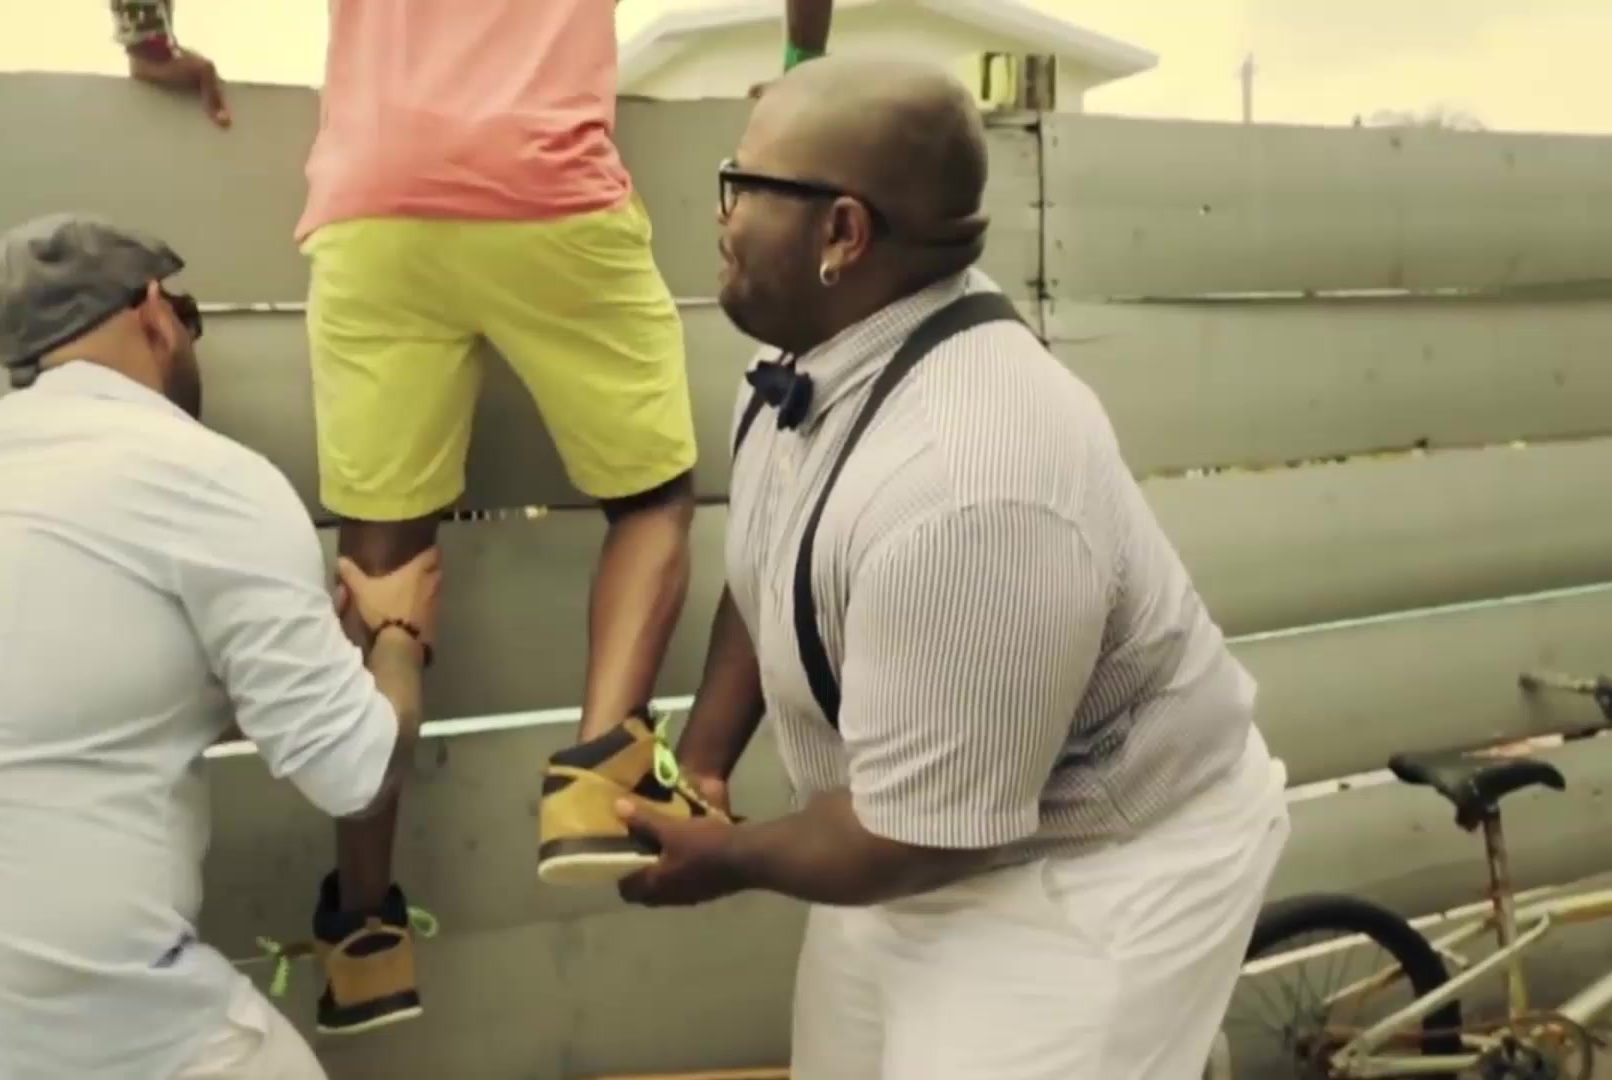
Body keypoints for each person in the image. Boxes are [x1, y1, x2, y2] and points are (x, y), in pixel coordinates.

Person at [106, 0, 836, 1035]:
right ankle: (596, 773)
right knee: (651, 498)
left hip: (375, 203)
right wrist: (804, 60)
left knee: (380, 554)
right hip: (550, 193)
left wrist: (150, 41)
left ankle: (363, 934)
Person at [614, 57, 1292, 1079]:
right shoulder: (813, 358)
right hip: (906, 814)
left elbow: (924, 834)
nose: (721, 214)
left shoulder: (969, 484)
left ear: (843, 233)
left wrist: (732, 857)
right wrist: (703, 765)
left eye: (741, 185)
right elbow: (771, 576)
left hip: (1089, 870)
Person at [0, 213, 438, 1080]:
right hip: (30, 1015)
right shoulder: (208, 476)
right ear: (153, 310)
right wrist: (399, 636)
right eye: (189, 316)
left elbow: (59, 701)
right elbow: (357, 773)